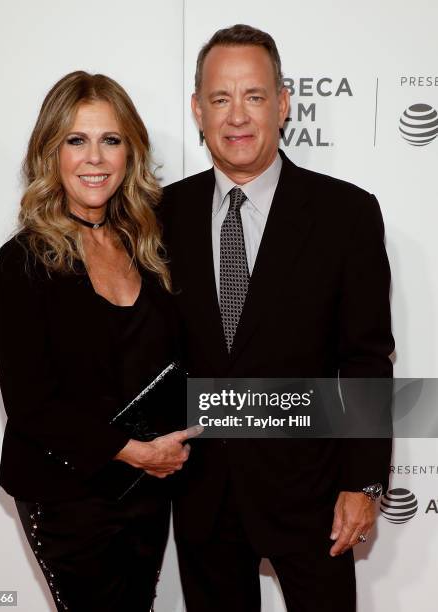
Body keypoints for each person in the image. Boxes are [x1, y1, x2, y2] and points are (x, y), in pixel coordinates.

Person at [161, 25, 394, 612]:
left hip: (314, 496)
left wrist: (363, 482)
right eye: (220, 98)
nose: (237, 116)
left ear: (284, 103)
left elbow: (365, 359)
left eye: (254, 96)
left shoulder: (347, 214)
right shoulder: (162, 216)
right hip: (203, 496)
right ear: (197, 109)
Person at [0, 71, 197, 612]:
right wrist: (135, 453)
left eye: (111, 140)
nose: (95, 158)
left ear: (130, 152)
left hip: (146, 490)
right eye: (76, 141)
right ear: (50, 153)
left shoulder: (146, 245)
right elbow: (32, 405)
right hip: (69, 494)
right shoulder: (25, 261)